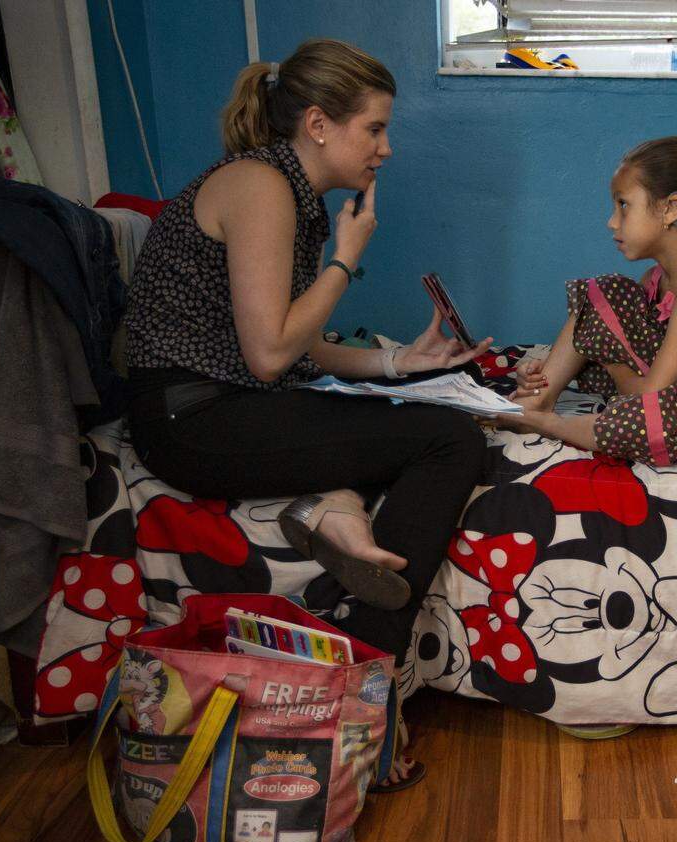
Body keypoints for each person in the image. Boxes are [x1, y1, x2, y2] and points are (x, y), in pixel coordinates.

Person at [124, 38, 491, 789]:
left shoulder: (293, 194)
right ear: (320, 124)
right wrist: (346, 259)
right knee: (451, 440)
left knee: (407, 411)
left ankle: (335, 513)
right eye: (375, 129)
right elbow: (267, 355)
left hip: (230, 400)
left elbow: (297, 348)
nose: (386, 149)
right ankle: (368, 676)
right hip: (192, 419)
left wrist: (399, 364)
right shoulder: (260, 185)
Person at [503, 136, 677, 466]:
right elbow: (618, 333)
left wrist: (612, 358)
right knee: (603, 293)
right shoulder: (656, 278)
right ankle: (538, 397)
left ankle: (547, 422)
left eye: (623, 205)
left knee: (648, 426)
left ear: (671, 208)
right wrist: (542, 368)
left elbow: (650, 396)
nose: (612, 221)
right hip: (668, 388)